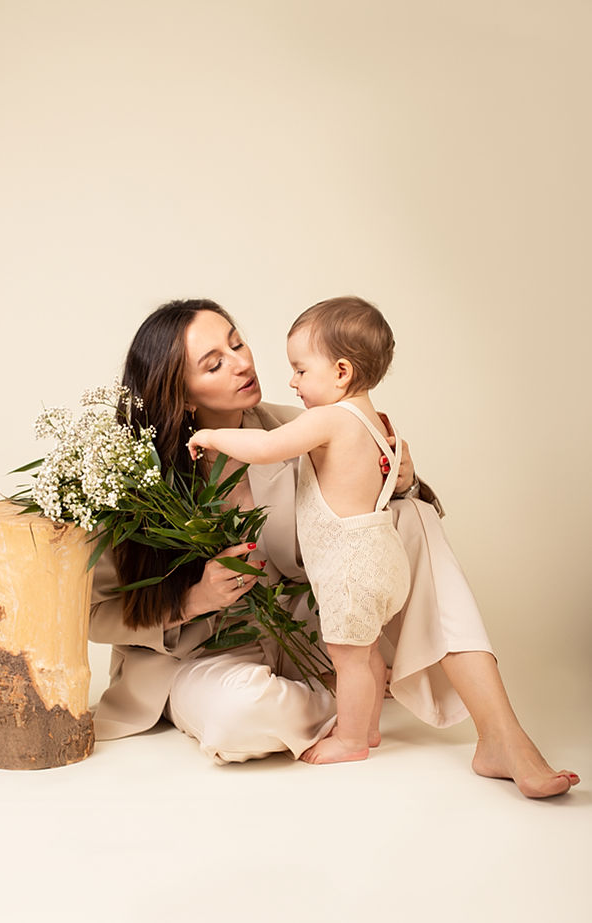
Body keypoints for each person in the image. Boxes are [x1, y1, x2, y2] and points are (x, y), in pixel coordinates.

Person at [89, 297, 579, 797]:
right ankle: (359, 696)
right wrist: (194, 598)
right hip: (203, 660)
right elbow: (92, 613)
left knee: (414, 518)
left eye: (237, 342)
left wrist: (403, 480)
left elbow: (361, 511)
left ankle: (500, 734)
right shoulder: (130, 477)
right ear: (182, 396)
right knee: (241, 717)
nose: (242, 363)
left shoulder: (295, 425)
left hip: (308, 631)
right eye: (215, 363)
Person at [187, 297, 411, 764]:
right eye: (215, 362)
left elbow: (267, 446)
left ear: (342, 372)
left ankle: (350, 739)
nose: (291, 381)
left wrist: (208, 437)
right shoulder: (374, 421)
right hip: (383, 558)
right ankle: (367, 727)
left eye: (302, 371)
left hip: (351, 565)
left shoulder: (326, 419)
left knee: (348, 656)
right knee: (363, 651)